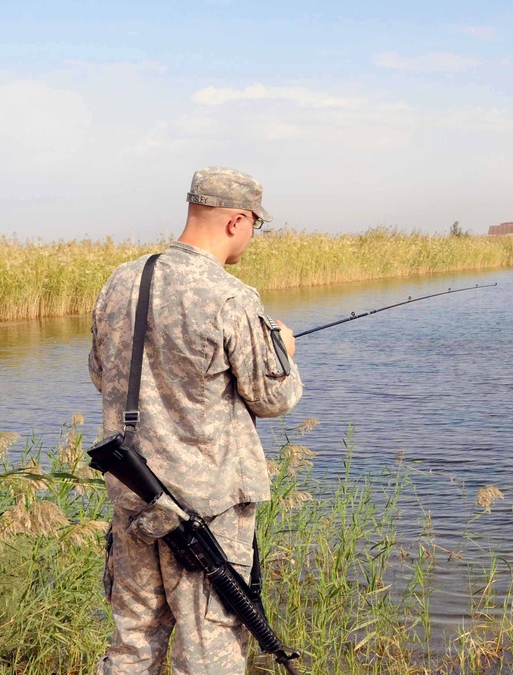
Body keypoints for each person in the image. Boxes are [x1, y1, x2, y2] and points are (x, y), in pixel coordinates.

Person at [89, 166, 303, 673]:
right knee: (208, 652)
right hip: (208, 510)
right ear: (237, 220)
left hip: (135, 496)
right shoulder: (230, 295)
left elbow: (103, 375)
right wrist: (285, 350)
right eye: (255, 224)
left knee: (132, 642)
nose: (252, 235)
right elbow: (273, 398)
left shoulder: (122, 281)